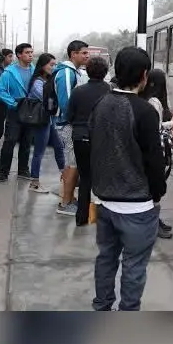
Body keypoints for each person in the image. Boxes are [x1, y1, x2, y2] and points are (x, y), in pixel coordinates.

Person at [88, 46, 166, 311]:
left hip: (104, 202)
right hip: (137, 206)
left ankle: (101, 306)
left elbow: (94, 147)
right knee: (134, 266)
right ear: (144, 75)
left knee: (106, 258)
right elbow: (155, 161)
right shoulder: (144, 111)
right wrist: (157, 194)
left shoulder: (101, 104)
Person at [67, 56, 112, 226]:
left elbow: (69, 116)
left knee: (85, 177)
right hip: (102, 139)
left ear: (88, 70)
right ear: (106, 72)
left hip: (80, 137)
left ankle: (81, 217)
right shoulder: (110, 91)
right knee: (103, 177)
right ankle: (103, 218)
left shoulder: (78, 91)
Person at [0, 43, 36, 185]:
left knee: (26, 142)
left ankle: (23, 170)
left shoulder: (35, 70)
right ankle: (2, 173)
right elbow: (0, 90)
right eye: (27, 52)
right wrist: (14, 104)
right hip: (15, 112)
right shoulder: (9, 72)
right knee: (10, 142)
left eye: (31, 52)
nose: (30, 55)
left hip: (31, 111)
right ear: (19, 55)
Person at [53, 40, 91, 216]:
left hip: (69, 123)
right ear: (73, 54)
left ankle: (68, 198)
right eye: (83, 53)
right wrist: (77, 122)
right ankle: (65, 203)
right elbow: (66, 103)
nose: (87, 56)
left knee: (72, 163)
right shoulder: (67, 74)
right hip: (68, 124)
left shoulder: (72, 72)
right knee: (73, 164)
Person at [140, 69, 173, 239]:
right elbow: (156, 128)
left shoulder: (144, 98)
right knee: (154, 188)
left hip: (147, 150)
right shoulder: (154, 101)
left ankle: (154, 221)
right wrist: (172, 123)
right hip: (154, 150)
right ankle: (153, 224)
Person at [27, 53, 66, 194]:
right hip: (42, 121)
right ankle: (34, 182)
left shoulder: (49, 80)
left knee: (59, 147)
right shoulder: (37, 82)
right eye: (51, 64)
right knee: (39, 152)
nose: (53, 67)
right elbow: (45, 98)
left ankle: (66, 177)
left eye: (55, 64)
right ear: (43, 65)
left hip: (51, 121)